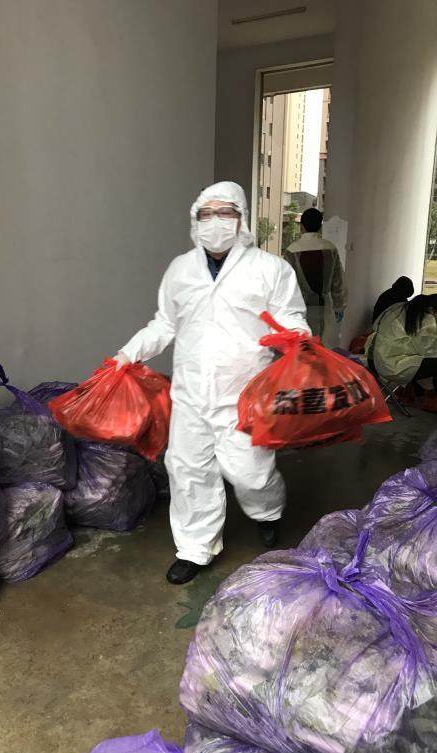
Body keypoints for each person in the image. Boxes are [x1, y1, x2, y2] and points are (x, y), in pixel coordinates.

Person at [114, 181, 310, 585]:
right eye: (206, 214)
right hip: (190, 394)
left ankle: (268, 512)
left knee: (251, 473)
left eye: (225, 213)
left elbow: (291, 316)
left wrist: (297, 338)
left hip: (245, 395)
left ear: (241, 219)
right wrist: (127, 354)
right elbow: (164, 324)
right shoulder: (180, 269)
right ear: (195, 220)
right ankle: (195, 548)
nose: (215, 221)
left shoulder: (270, 269)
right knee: (188, 472)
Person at [284, 208, 347, 341]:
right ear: (320, 226)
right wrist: (339, 305)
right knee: (322, 344)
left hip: (300, 307)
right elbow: (337, 281)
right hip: (325, 306)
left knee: (304, 345)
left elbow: (286, 285)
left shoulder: (291, 250)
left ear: (301, 226)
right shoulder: (330, 248)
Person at [366, 294, 437, 393]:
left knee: (420, 356)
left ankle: (419, 394)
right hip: (392, 367)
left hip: (374, 359)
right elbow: (431, 350)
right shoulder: (425, 320)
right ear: (432, 310)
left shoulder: (402, 308)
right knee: (431, 361)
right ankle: (425, 395)